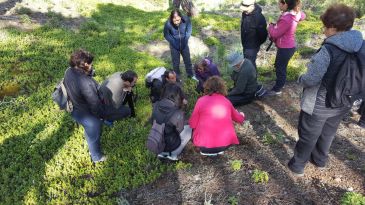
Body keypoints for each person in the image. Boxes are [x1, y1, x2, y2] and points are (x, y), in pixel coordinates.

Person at [288, 4, 364, 176]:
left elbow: (311, 79)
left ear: (334, 28)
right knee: (328, 133)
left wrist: (300, 78)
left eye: (325, 27)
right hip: (343, 101)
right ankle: (320, 160)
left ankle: (297, 166)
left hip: (318, 104)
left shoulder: (328, 49)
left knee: (308, 135)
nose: (323, 30)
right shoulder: (360, 44)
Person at [63, 49, 131, 163]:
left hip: (74, 106)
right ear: (84, 64)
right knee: (124, 112)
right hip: (85, 113)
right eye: (90, 63)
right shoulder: (86, 84)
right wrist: (102, 117)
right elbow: (96, 106)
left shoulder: (69, 71)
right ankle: (96, 157)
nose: (92, 65)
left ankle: (94, 128)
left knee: (93, 125)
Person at [189, 76, 245, 156]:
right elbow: (239, 119)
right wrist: (242, 115)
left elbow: (192, 123)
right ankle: (218, 150)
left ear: (207, 87)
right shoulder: (226, 101)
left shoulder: (201, 101)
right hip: (224, 144)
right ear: (222, 87)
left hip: (203, 145)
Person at [266, 0, 306, 96]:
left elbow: (275, 33)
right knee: (280, 66)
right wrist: (297, 11)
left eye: (280, 3)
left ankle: (277, 89)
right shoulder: (294, 14)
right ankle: (280, 84)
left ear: (286, 4)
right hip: (288, 46)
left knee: (280, 68)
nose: (278, 4)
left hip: (285, 47)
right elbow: (303, 16)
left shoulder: (287, 18)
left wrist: (270, 26)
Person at [152, 83, 192, 160]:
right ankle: (173, 155)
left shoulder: (156, 105)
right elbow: (180, 129)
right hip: (171, 147)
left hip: (156, 143)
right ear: (178, 96)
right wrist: (183, 108)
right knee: (189, 127)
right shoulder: (176, 111)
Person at [164, 9, 197, 80]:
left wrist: (185, 39)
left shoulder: (186, 20)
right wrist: (173, 42)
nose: (176, 22)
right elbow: (166, 35)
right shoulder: (168, 24)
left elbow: (189, 30)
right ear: (171, 18)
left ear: (181, 17)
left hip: (184, 44)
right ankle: (178, 78)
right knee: (176, 64)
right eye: (174, 20)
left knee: (188, 61)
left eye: (178, 20)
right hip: (174, 46)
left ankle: (190, 75)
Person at [240, 0, 268, 70]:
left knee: (250, 66)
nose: (244, 11)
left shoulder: (259, 17)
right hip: (245, 44)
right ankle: (251, 79)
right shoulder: (245, 13)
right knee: (248, 64)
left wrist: (256, 44)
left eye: (246, 10)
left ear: (252, 6)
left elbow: (263, 35)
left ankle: (252, 80)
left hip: (252, 46)